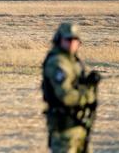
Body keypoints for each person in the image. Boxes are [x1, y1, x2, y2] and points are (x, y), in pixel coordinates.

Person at [42, 23, 101, 153]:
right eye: (68, 40)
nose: (72, 43)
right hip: (64, 128)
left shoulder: (72, 61)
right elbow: (66, 96)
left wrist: (88, 83)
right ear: (59, 40)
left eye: (75, 40)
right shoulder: (58, 62)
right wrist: (88, 94)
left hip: (79, 126)